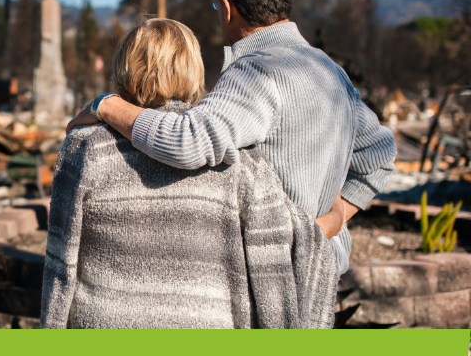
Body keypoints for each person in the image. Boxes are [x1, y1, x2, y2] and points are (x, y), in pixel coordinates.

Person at [73, 0, 395, 274]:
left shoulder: (257, 70)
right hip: (324, 272)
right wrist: (338, 215)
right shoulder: (329, 70)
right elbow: (380, 154)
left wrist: (105, 105)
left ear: (226, 8)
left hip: (277, 279)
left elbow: (187, 141)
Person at [42, 19, 337, 328]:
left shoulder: (83, 148)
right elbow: (274, 263)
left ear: (123, 68)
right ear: (194, 69)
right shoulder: (238, 160)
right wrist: (337, 217)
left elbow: (61, 262)